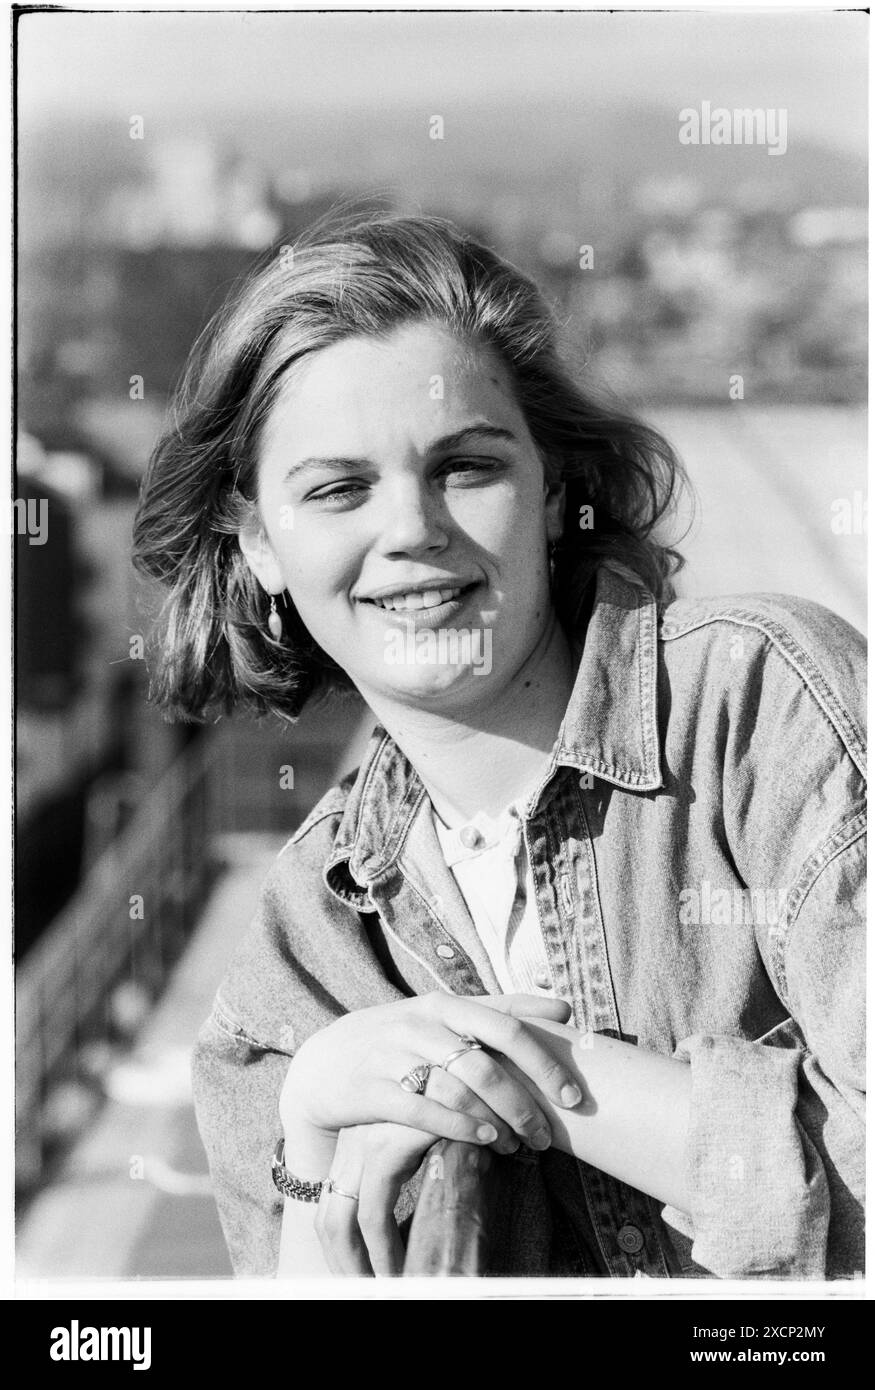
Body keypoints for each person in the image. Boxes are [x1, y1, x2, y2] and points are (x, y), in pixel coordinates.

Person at [132, 212, 865, 1281]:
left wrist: (521, 1069)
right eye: (337, 488)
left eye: (464, 467)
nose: (412, 530)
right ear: (260, 548)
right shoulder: (306, 945)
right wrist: (309, 1131)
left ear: (556, 483)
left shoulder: (764, 707)